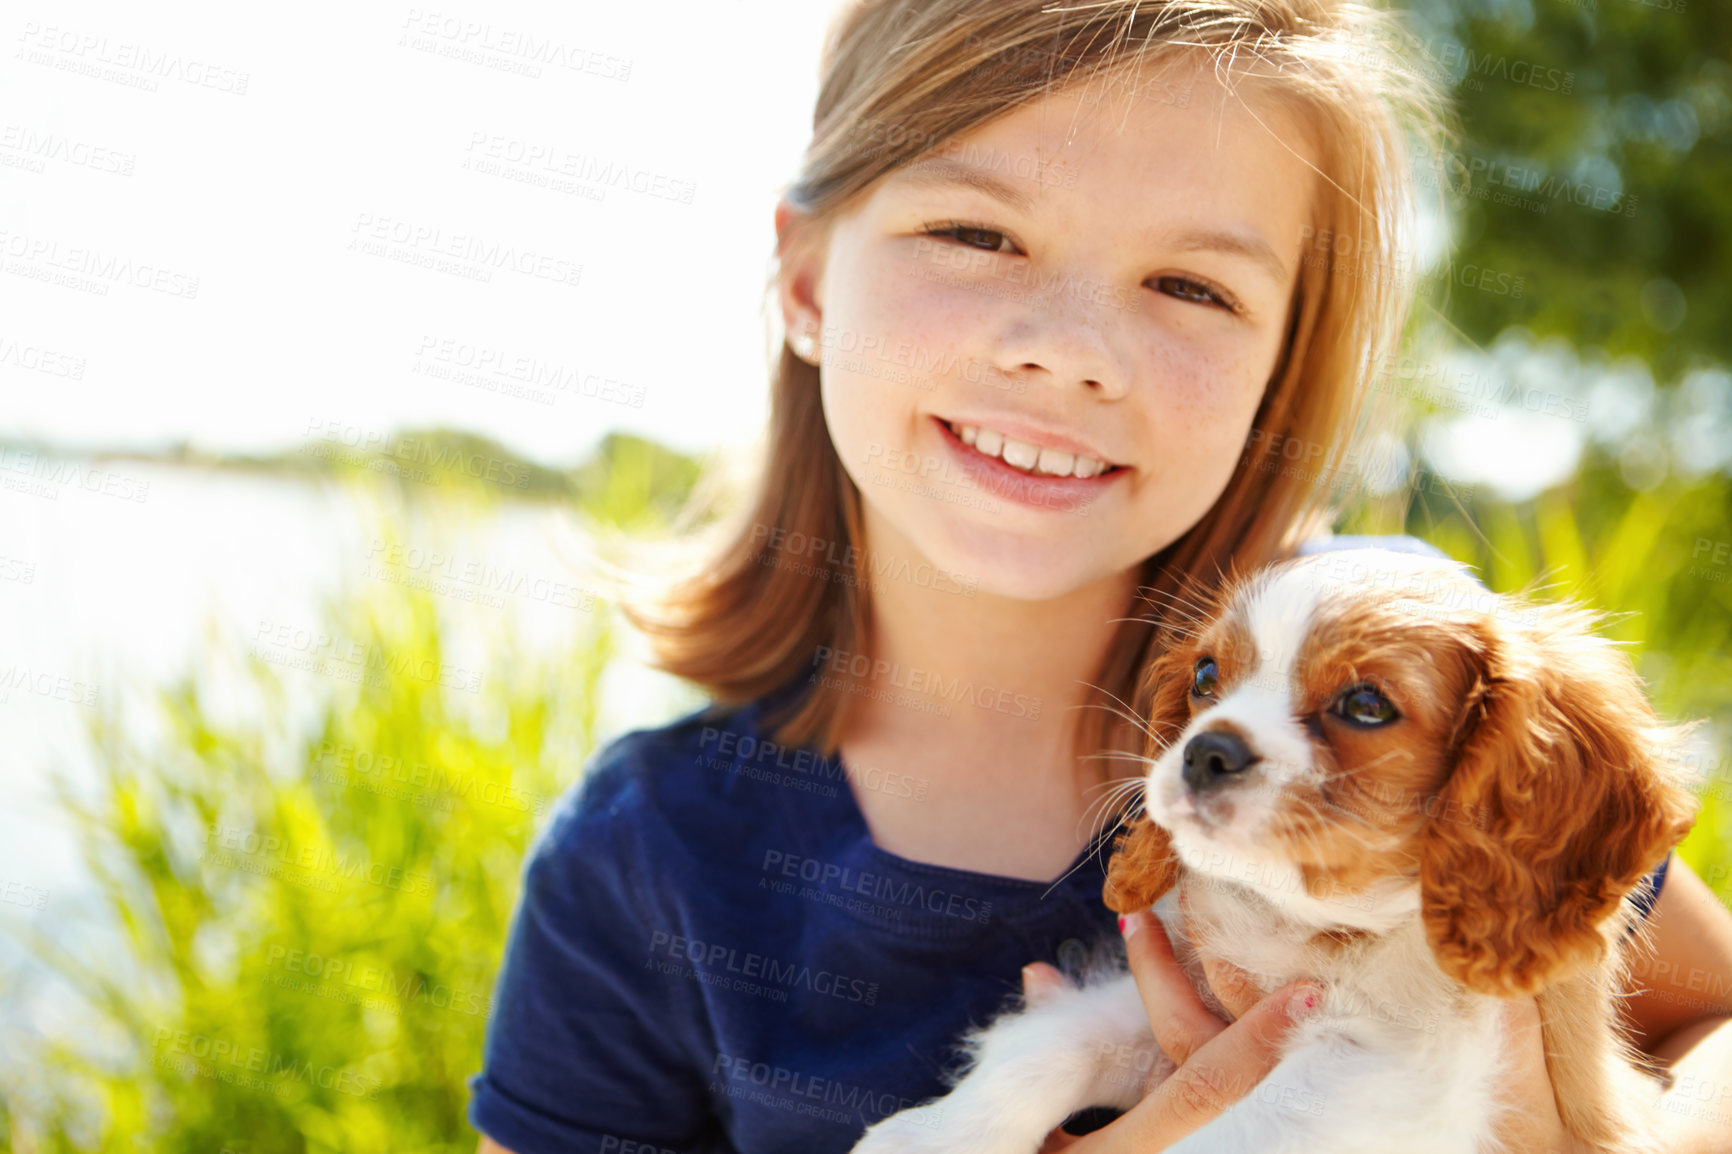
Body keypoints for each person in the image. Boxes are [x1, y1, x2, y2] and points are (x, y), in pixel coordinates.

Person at [468, 1, 1732, 1151]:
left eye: (1190, 283)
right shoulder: (643, 859)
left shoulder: (1421, 671)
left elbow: (1712, 1022)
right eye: (974, 232)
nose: (1071, 354)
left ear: (1280, 364)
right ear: (804, 280)